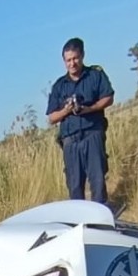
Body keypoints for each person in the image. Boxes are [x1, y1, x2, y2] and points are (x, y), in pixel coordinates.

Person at [46, 38, 115, 203]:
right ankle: (79, 221)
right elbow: (51, 117)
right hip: (70, 140)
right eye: (68, 60)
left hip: (92, 133)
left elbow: (109, 97)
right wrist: (67, 110)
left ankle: (100, 220)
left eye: (75, 58)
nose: (72, 63)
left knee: (97, 180)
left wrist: (89, 109)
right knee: (74, 184)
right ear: (64, 61)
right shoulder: (59, 86)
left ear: (82, 55)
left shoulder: (95, 75)